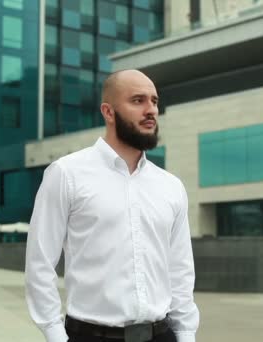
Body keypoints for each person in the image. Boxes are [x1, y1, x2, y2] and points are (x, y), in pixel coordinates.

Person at [25, 69, 199, 342]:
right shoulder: (66, 174)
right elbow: (40, 263)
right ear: (108, 112)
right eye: (138, 100)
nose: (151, 109)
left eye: (154, 101)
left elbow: (180, 268)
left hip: (161, 335)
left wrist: (186, 334)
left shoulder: (171, 186)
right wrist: (54, 334)